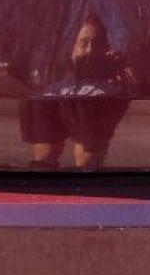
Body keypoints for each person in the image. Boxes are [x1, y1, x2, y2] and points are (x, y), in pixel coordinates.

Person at [18, 13, 137, 170]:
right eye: (84, 43)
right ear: (73, 48)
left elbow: (137, 86)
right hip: (58, 97)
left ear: (106, 48)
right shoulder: (55, 86)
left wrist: (125, 64)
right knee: (43, 157)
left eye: (97, 43)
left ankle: (84, 183)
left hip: (92, 106)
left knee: (86, 163)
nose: (89, 50)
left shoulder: (115, 79)